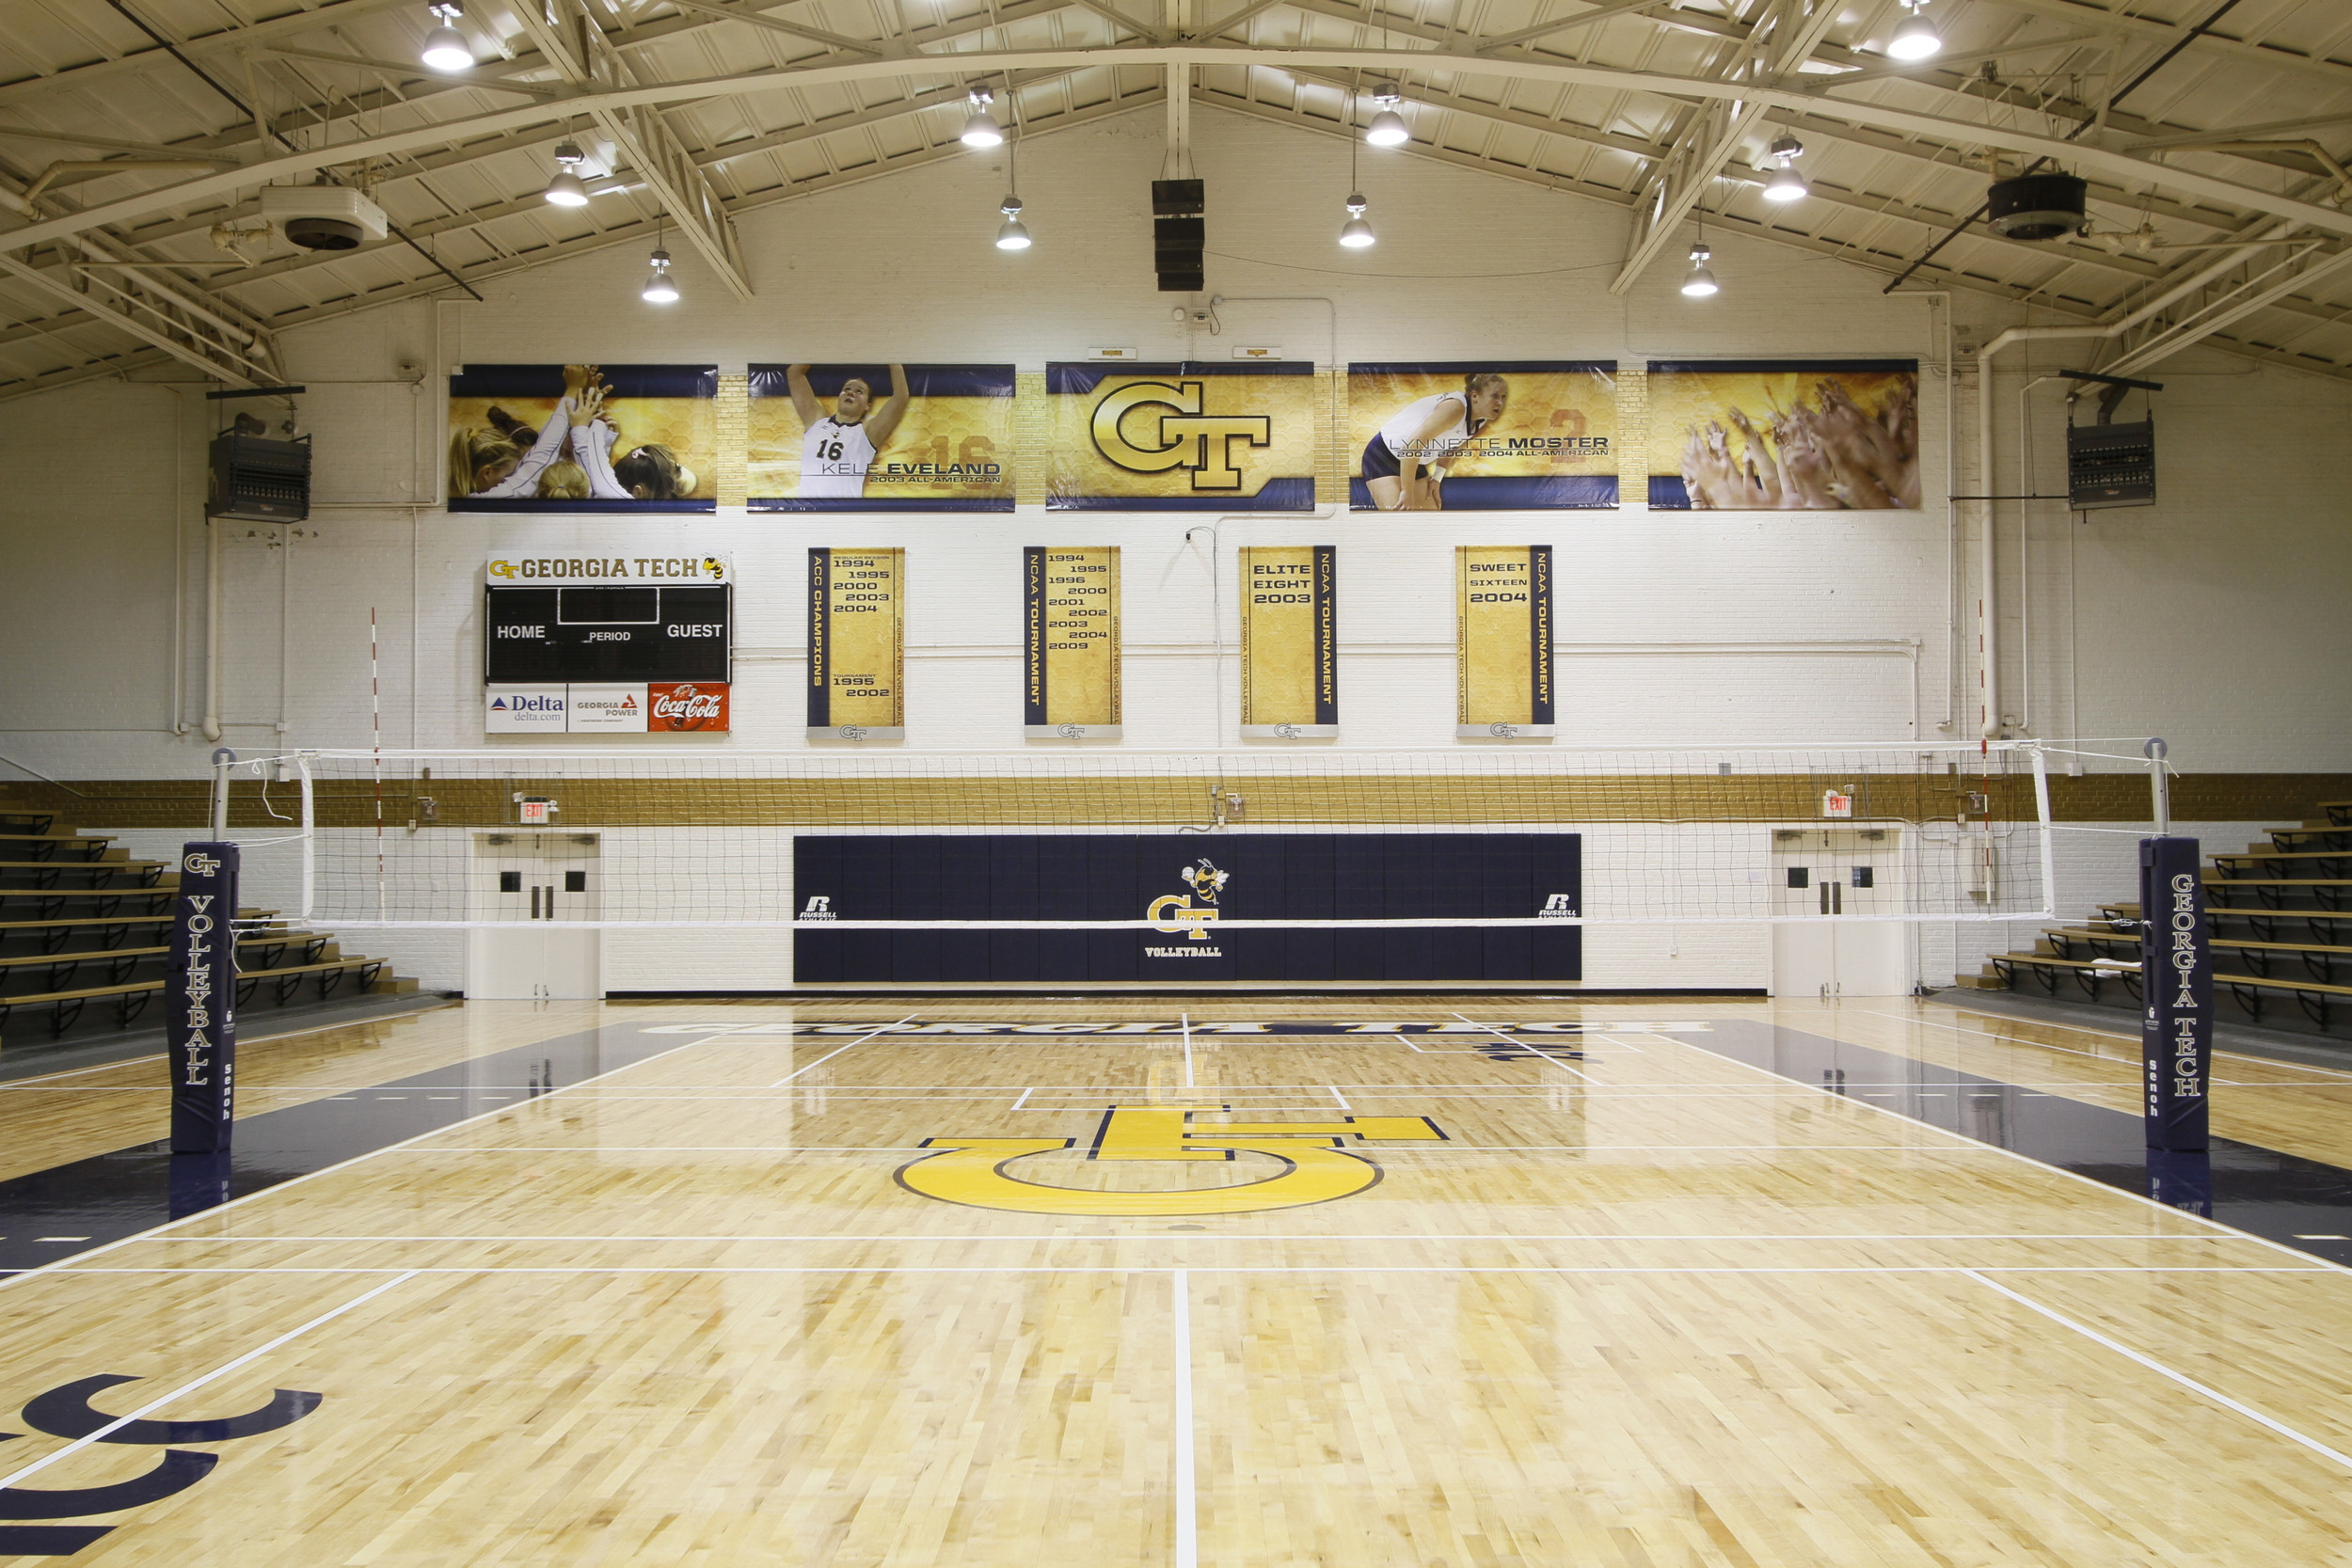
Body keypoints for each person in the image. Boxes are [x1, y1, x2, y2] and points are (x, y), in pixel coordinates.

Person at [1360, 372, 1510, 511]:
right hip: (1383, 456)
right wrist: (1407, 492)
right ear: (1475, 396)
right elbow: (1412, 445)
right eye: (1495, 396)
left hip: (1413, 462)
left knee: (1431, 520)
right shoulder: (1455, 408)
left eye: (1503, 397)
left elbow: (1452, 446)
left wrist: (1436, 479)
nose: (1500, 402)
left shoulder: (1480, 418)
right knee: (1400, 519)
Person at [786, 363, 908, 498]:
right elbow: (794, 374)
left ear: (868, 405)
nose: (851, 393)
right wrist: (821, 349)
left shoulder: (866, 432)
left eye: (859, 391)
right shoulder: (816, 421)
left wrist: (893, 358)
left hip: (844, 509)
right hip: (809, 508)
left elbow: (900, 398)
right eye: (846, 389)